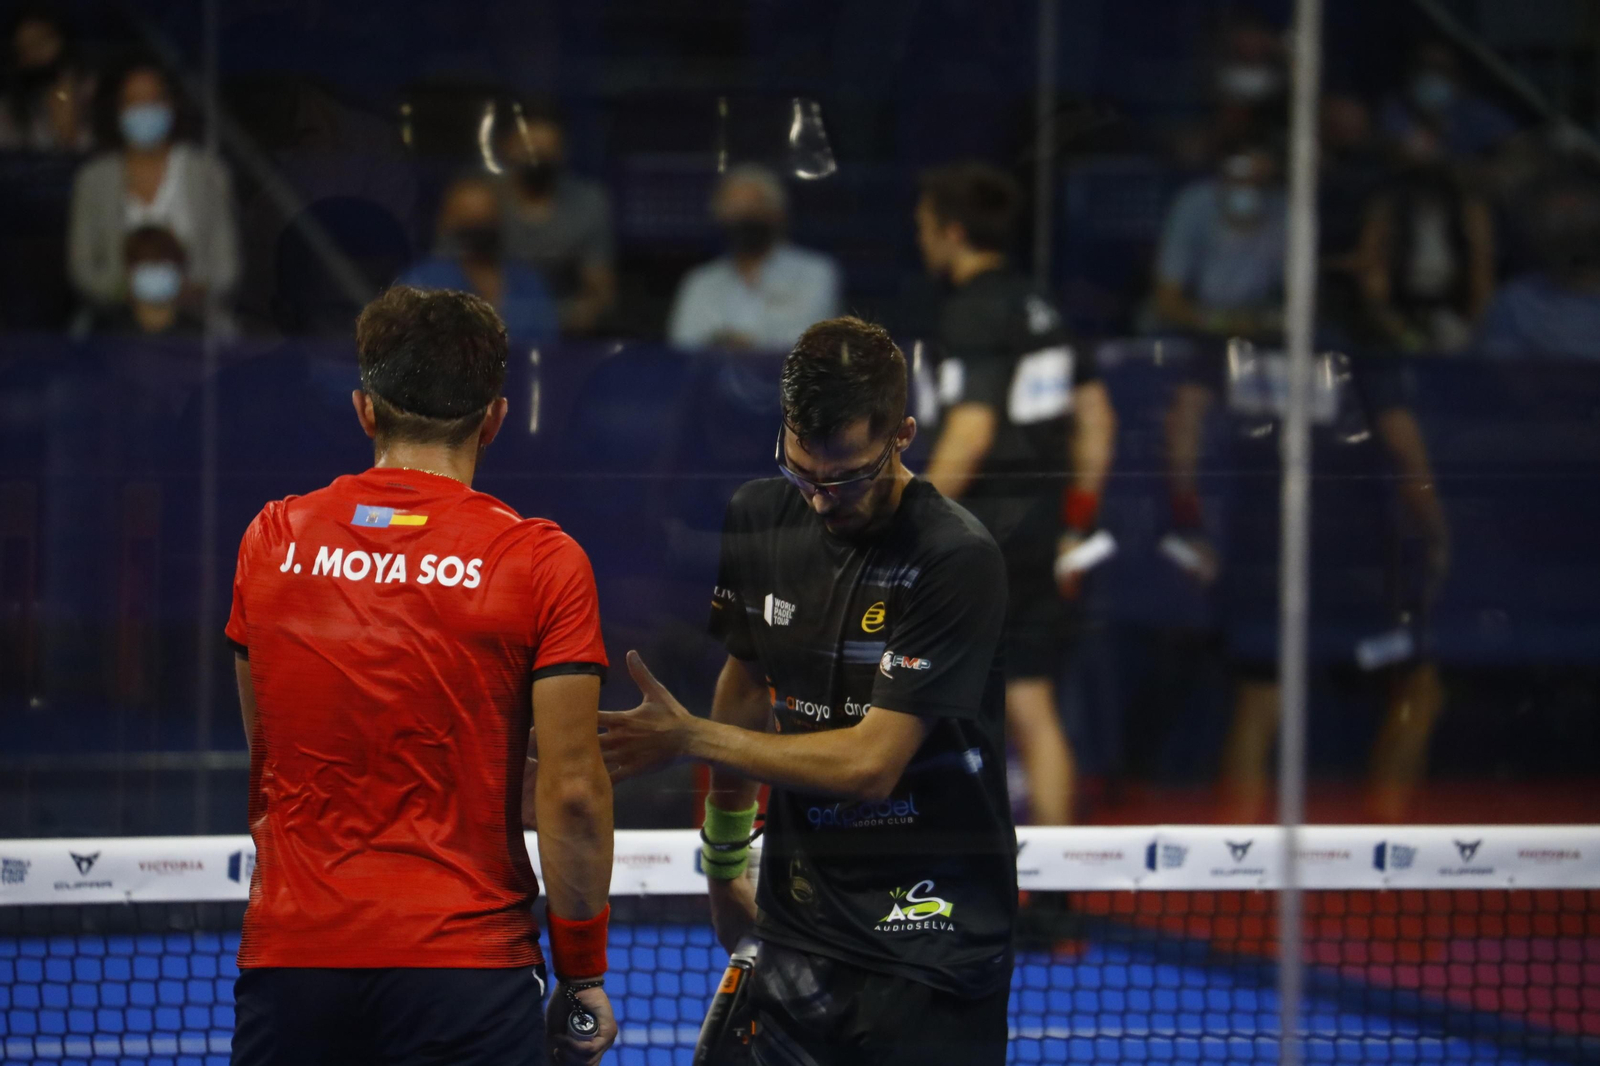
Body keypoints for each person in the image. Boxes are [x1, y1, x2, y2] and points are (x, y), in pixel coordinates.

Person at [601, 317, 1017, 1065]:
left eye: (847, 477)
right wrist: (724, 864)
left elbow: (870, 766)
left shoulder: (955, 558)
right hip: (798, 925)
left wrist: (686, 736)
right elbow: (744, 680)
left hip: (931, 944)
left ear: (902, 436)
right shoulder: (759, 515)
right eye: (802, 471)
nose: (822, 498)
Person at [224, 286, 617, 1066]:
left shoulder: (271, 539)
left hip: (295, 964)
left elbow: (271, 743)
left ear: (365, 410)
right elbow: (573, 792)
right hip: (467, 975)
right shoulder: (543, 563)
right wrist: (581, 974)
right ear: (495, 418)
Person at [914, 162, 1117, 826]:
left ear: (952, 231)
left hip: (979, 534)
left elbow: (971, 432)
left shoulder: (972, 310)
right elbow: (1097, 419)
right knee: (1032, 700)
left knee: (933, 701)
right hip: (1039, 532)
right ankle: (1057, 870)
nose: (921, 240)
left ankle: (950, 861)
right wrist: (1076, 519)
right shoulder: (1042, 308)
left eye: (925, 227)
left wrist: (906, 518)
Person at [68, 61, 240, 315]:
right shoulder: (93, 179)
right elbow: (82, 269)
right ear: (118, 110)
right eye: (133, 102)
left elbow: (226, 268)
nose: (144, 110)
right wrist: (125, 293)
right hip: (114, 321)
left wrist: (188, 292)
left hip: (196, 323)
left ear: (170, 105)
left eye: (153, 100)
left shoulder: (209, 173)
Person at [667, 164, 842, 351]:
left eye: (753, 208)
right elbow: (683, 345)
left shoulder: (816, 273)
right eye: (734, 211)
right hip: (715, 371)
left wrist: (745, 345)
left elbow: (811, 342)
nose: (744, 218)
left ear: (777, 213)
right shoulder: (700, 282)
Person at [1354, 121, 1495, 352]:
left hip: (1452, 314)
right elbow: (1372, 273)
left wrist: (1471, 326)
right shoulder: (1387, 208)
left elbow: (1481, 270)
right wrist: (1400, 331)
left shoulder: (1468, 210)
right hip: (1399, 313)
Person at [497, 99, 615, 334]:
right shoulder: (479, 201)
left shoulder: (588, 202)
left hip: (565, 332)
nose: (536, 160)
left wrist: (555, 320)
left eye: (545, 151)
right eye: (528, 149)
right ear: (507, 147)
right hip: (491, 327)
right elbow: (450, 279)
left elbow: (601, 294)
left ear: (561, 151)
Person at [402, 174, 558, 345]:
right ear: (447, 221)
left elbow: (548, 345)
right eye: (468, 217)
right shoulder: (421, 283)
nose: (479, 224)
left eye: (486, 215)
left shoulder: (528, 281)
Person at [1151, 145, 1286, 342]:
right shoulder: (1194, 204)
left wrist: (1264, 323)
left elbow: (1304, 301)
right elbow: (1167, 299)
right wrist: (1221, 324)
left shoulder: (1285, 211)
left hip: (1261, 326)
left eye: (1259, 181)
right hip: (1194, 326)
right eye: (1241, 178)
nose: (1249, 188)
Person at [1476, 175, 1600, 360]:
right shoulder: (1517, 302)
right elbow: (1498, 368)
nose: (1572, 225)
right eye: (1559, 217)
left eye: (1582, 212)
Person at [1378, 41, 1519, 163]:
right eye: (1425, 67)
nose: (1431, 76)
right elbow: (1392, 151)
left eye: (1440, 69)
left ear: (1457, 75)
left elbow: (1515, 145)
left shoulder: (1477, 111)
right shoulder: (1397, 107)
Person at [0, 7, 94, 151]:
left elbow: (72, 140)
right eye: (26, 48)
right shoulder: (9, 107)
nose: (36, 54)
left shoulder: (93, 90)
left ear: (61, 40)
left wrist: (65, 93)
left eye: (41, 43)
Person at [85, 224, 203, 337]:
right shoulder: (105, 328)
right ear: (128, 272)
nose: (155, 272)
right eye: (147, 264)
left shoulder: (196, 333)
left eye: (163, 264)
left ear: (180, 272)